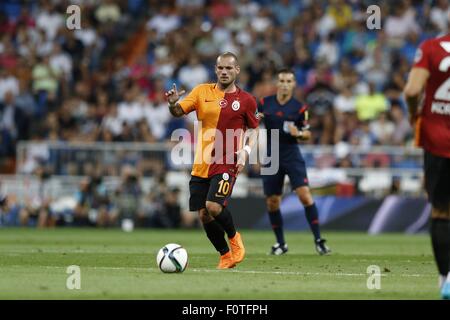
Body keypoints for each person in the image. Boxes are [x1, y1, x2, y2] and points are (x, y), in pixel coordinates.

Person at [165, 52, 259, 269]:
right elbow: (178, 111)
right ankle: (225, 255)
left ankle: (235, 239)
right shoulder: (201, 91)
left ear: (237, 70)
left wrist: (245, 150)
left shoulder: (246, 100)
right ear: (216, 70)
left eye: (229, 68)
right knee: (204, 215)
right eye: (221, 68)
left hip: (227, 160)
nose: (224, 72)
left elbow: (254, 129)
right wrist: (172, 103)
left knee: (213, 206)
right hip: (202, 162)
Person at [258, 68, 331, 256]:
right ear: (277, 82)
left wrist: (297, 133)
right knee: (272, 202)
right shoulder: (265, 103)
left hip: (291, 154)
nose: (284, 84)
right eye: (281, 80)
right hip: (271, 155)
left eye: (288, 81)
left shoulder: (299, 108)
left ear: (294, 84)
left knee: (305, 195)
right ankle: (280, 243)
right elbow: (253, 123)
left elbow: (307, 133)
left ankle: (319, 240)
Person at [403, 32, 450, 299]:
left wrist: (413, 114)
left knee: (441, 211)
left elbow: (411, 91)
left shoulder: (431, 48)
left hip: (436, 138)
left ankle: (445, 278)